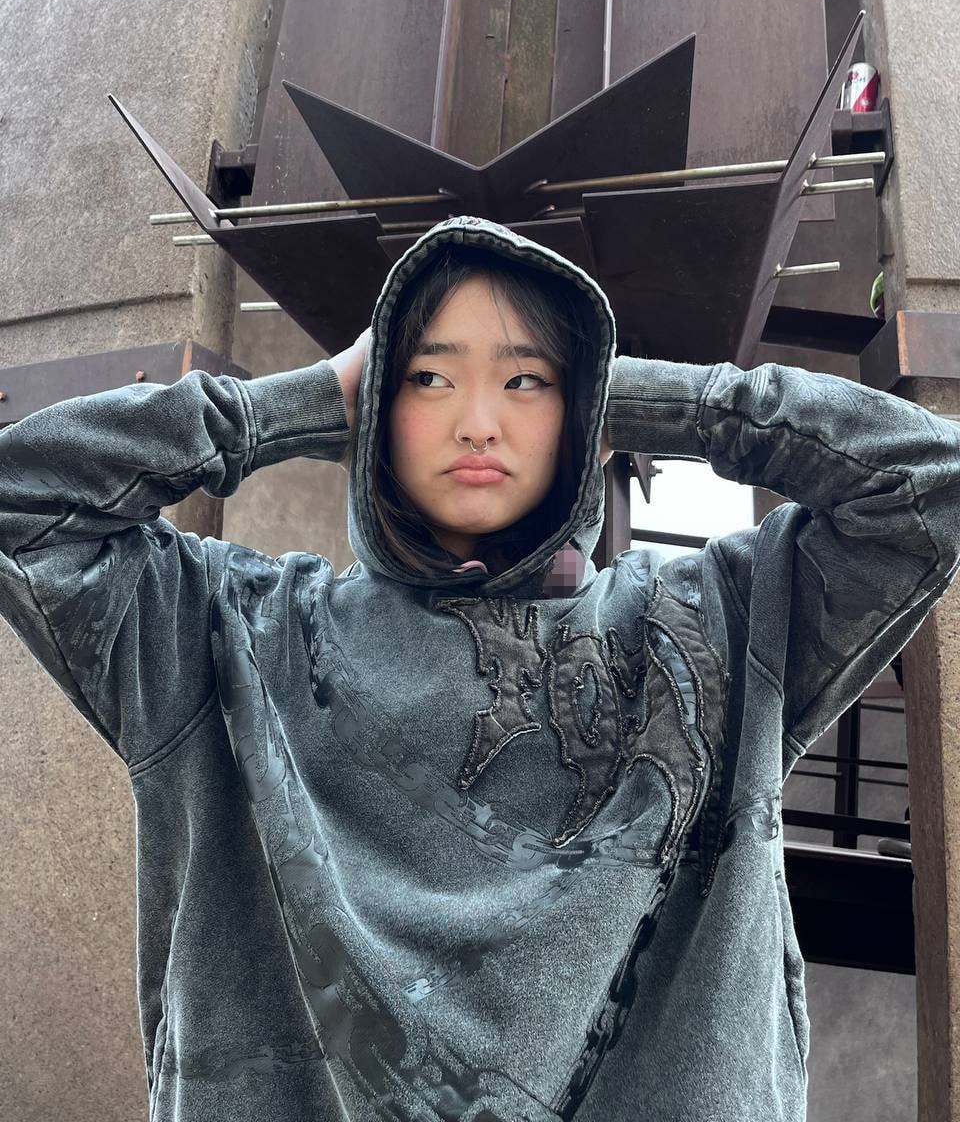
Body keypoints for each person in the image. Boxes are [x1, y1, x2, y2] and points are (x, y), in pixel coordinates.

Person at [1, 213, 958, 1122]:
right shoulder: (231, 631)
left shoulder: (716, 625)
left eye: (527, 380)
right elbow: (23, 501)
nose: (477, 421)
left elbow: (928, 489)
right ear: (375, 403)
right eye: (426, 377)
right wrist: (297, 403)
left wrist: (650, 398)